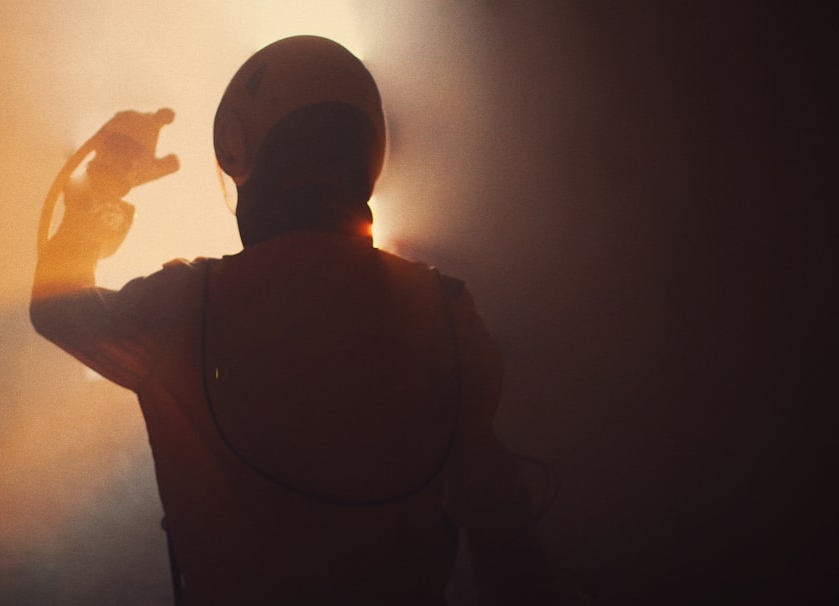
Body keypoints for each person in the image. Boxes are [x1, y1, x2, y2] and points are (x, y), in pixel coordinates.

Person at [31, 35, 555, 605]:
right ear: (366, 153)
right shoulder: (446, 311)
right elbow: (504, 535)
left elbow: (57, 307)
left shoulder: (182, 307)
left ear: (244, 154)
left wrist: (105, 183)